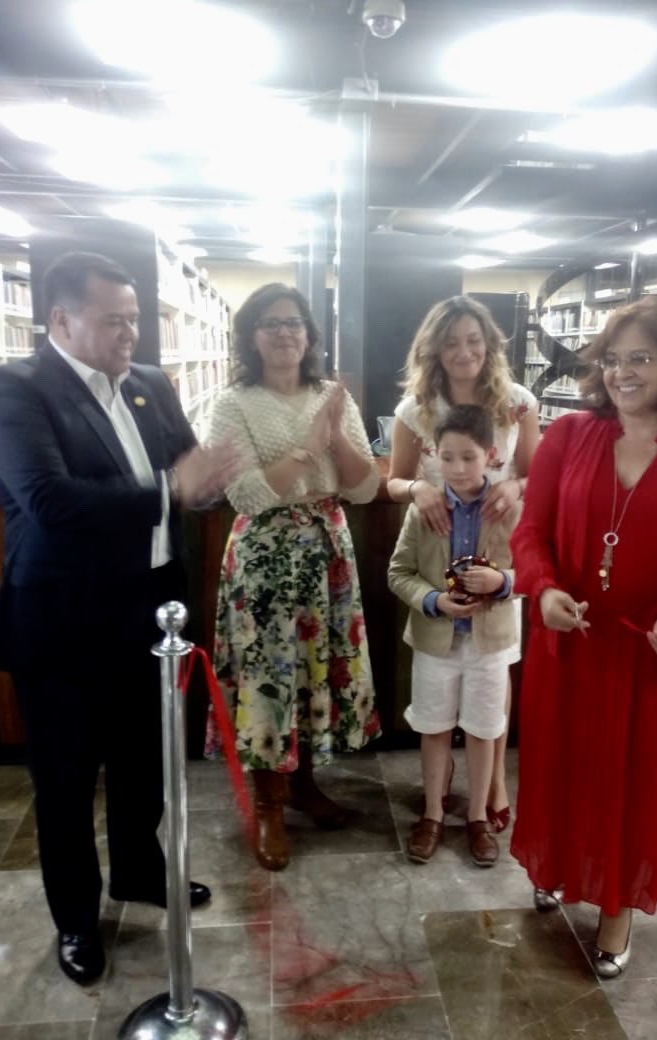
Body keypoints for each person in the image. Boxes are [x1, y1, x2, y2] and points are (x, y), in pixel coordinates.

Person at [0, 251, 238, 986]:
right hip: (63, 621)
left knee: (146, 761)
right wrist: (171, 488)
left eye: (134, 319)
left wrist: (206, 486)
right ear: (60, 319)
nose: (130, 333)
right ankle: (76, 918)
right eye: (113, 321)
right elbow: (51, 502)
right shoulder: (16, 390)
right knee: (66, 781)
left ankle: (139, 871)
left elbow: (188, 470)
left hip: (151, 610)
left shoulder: (151, 384)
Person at [510, 295, 657, 978]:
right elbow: (531, 533)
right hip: (573, 645)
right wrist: (544, 589)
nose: (622, 373)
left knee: (637, 783)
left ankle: (616, 907)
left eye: (640, 357)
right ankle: (556, 867)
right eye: (612, 359)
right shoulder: (565, 437)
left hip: (652, 656)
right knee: (563, 766)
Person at [207, 282, 381, 872]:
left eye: (294, 323)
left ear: (309, 335)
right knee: (269, 675)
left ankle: (304, 785)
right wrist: (308, 449)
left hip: (327, 550)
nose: (284, 333)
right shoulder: (232, 403)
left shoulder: (332, 396)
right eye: (271, 323)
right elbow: (247, 495)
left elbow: (364, 488)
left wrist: (336, 435)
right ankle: (269, 806)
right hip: (264, 557)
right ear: (251, 337)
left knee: (314, 670)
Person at [387, 295, 538, 831]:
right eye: (451, 342)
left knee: (495, 669)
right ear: (434, 349)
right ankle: (444, 783)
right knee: (442, 682)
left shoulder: (517, 402)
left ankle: (493, 782)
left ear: (489, 344)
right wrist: (418, 490)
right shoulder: (414, 409)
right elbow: (394, 478)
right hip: (439, 544)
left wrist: (515, 487)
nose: (464, 351)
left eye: (474, 340)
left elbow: (536, 474)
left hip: (499, 545)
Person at [388, 404, 519, 868]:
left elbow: (537, 571)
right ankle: (433, 813)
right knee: (434, 726)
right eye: (447, 457)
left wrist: (502, 581)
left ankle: (478, 816)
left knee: (483, 729)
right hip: (435, 641)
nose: (458, 468)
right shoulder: (423, 511)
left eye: (469, 457)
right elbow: (398, 572)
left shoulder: (508, 509)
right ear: (433, 455)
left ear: (491, 455)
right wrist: (432, 600)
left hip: (489, 643)